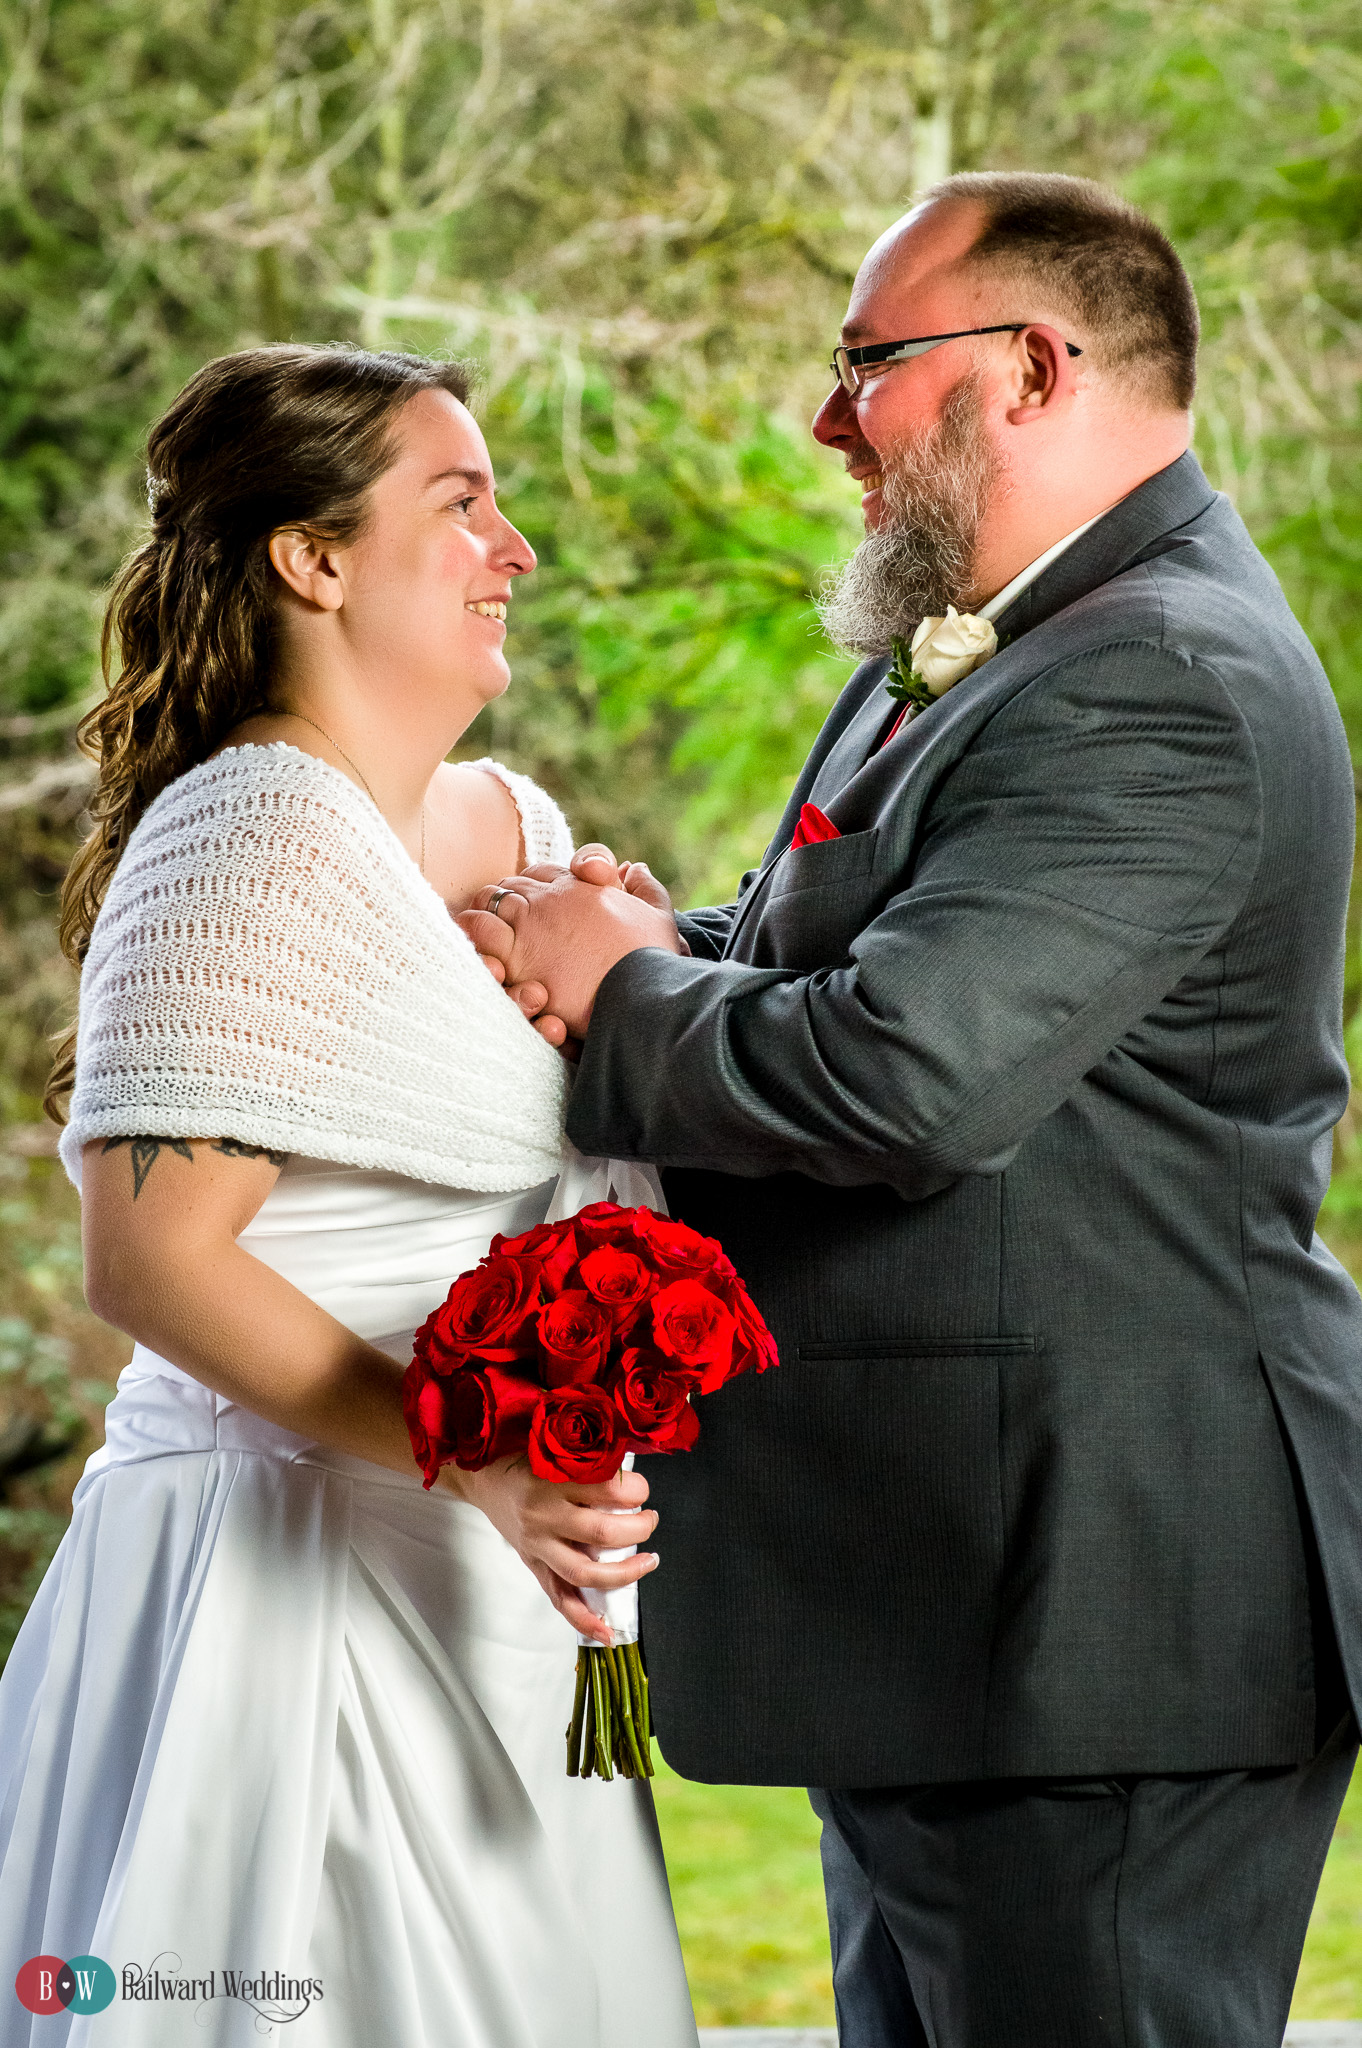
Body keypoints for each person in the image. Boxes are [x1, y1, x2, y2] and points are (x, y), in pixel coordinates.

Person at [458, 172, 1362, 2045]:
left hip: (1099, 1612)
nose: (822, 420)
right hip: (956, 1612)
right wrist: (616, 936)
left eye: (864, 365)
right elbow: (809, 949)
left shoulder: (1160, 675)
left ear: (1029, 368)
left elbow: (903, 1069)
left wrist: (615, 980)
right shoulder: (985, 645)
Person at [0, 344, 696, 2048]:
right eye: (460, 506)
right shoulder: (242, 835)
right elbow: (152, 1261)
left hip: (494, 1605)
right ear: (310, 561)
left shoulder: (510, 825)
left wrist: (650, 979)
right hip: (288, 1588)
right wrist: (479, 1462)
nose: (513, 548)